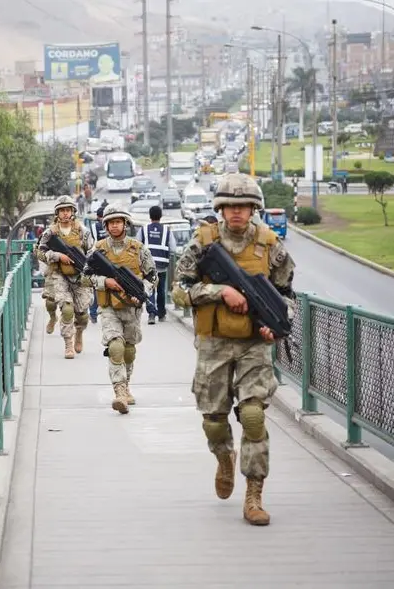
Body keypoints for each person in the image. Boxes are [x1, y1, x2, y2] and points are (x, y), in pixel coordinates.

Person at [171, 173, 296, 527]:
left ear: (253, 208)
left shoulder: (271, 246)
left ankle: (254, 494)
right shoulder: (203, 242)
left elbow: (288, 297)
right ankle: (224, 457)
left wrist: (277, 325)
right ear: (221, 210)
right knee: (213, 421)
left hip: (255, 344)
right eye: (230, 207)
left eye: (243, 206)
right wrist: (219, 293)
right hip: (214, 343)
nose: (237, 212)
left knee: (253, 417)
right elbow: (179, 289)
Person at [87, 203, 158, 414]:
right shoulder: (98, 249)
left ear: (125, 224)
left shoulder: (139, 249)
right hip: (108, 307)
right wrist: (105, 282)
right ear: (106, 226)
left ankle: (126, 385)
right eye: (111, 223)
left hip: (132, 309)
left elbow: (152, 276)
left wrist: (141, 291)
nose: (115, 226)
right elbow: (84, 276)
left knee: (128, 350)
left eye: (118, 222)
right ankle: (119, 392)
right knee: (115, 347)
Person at [36, 195, 94, 359]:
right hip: (59, 275)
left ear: (73, 212)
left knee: (82, 314)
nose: (65, 214)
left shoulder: (82, 231)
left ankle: (79, 332)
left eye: (68, 210)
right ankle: (68, 344)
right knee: (67, 309)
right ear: (57, 213)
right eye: (62, 211)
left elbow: (92, 251)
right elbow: (40, 252)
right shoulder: (50, 232)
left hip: (80, 276)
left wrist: (87, 266)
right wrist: (57, 256)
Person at [137, 205, 174, 325]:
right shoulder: (167, 231)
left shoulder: (143, 229)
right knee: (161, 290)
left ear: (150, 216)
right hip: (162, 266)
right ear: (161, 216)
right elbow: (173, 248)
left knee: (150, 289)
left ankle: (152, 314)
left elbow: (137, 245)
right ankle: (162, 314)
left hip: (148, 266)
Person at [88, 205, 109, 323]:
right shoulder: (109, 226)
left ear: (97, 217)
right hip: (109, 260)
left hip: (96, 260)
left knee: (96, 286)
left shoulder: (91, 227)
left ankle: (93, 313)